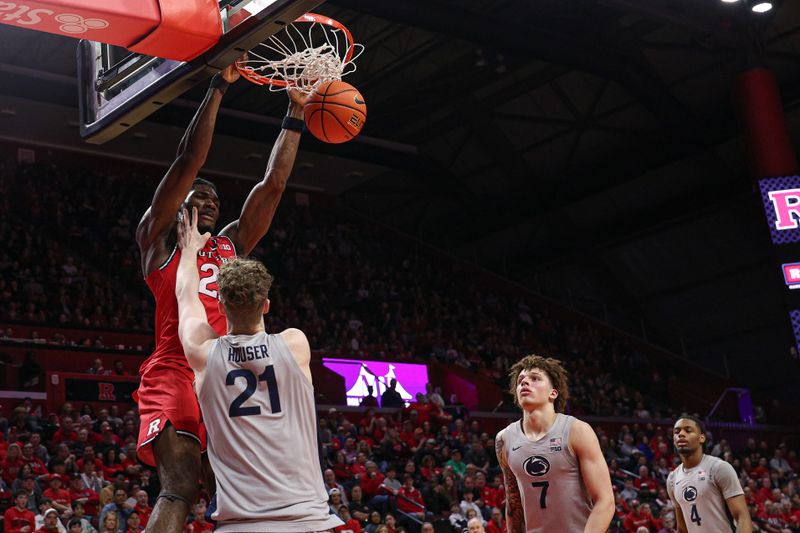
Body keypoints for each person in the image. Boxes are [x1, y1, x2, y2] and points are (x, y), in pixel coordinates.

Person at [133, 57, 308, 533]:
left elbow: (273, 186)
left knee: (239, 495)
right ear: (179, 203)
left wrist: (295, 114)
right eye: (198, 197)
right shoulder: (160, 241)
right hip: (174, 367)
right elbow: (188, 160)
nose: (209, 200)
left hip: (225, 372)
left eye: (215, 198)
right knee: (179, 488)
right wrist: (218, 88)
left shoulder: (231, 245)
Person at [172, 210, 342, 532]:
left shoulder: (204, 354)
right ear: (266, 304)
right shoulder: (295, 344)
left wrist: (190, 251)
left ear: (220, 308)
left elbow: (186, 296)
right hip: (307, 519)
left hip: (241, 523)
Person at [495, 355, 614, 533]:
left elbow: (605, 501)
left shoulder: (576, 430)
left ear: (553, 393)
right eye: (521, 380)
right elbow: (513, 505)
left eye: (535, 378)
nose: (525, 382)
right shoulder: (504, 439)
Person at [667, 416, 752, 533]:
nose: (681, 434)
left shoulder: (719, 468)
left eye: (688, 430)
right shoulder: (672, 478)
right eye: (677, 432)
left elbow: (742, 517)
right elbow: (682, 528)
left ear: (701, 438)